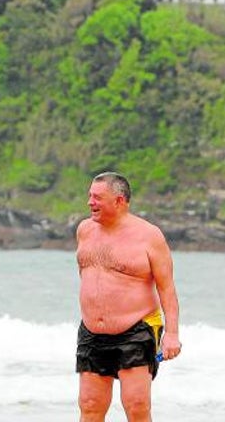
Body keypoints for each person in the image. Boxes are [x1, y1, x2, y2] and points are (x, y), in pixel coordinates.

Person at [76, 172, 182, 422]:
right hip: (92, 332)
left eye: (97, 197)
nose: (90, 202)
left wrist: (172, 334)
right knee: (90, 405)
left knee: (136, 406)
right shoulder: (84, 230)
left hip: (136, 329)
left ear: (119, 201)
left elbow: (166, 288)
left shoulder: (149, 236)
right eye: (90, 196)